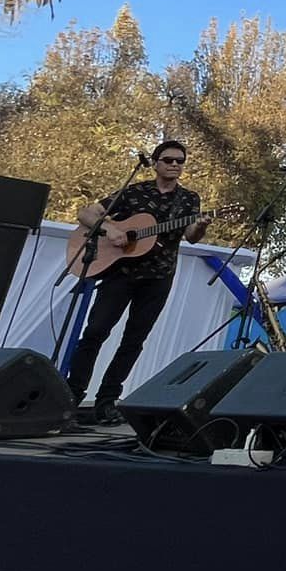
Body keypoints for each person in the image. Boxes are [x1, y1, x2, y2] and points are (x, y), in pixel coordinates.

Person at [67, 140, 212, 424]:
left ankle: (107, 401)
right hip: (120, 273)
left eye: (180, 161)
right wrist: (110, 230)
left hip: (158, 276)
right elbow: (86, 213)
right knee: (95, 332)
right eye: (168, 160)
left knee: (134, 340)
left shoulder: (188, 199)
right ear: (156, 163)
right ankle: (72, 395)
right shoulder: (134, 192)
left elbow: (191, 237)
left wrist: (201, 226)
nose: (175, 165)